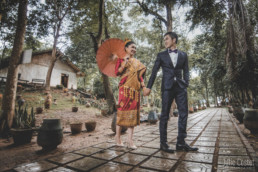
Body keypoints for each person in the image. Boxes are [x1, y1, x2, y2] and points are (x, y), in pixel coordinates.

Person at [143, 32, 198, 153]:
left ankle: (181, 143)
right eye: (164, 40)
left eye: (167, 39)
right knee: (164, 115)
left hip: (180, 87)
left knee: (184, 113)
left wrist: (186, 82)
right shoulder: (161, 55)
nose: (165, 41)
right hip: (167, 88)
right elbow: (154, 71)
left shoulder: (184, 55)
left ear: (174, 40)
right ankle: (163, 144)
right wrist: (148, 87)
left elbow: (186, 71)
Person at [114, 40, 146, 149]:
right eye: (132, 47)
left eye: (135, 48)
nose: (134, 49)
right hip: (124, 89)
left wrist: (144, 86)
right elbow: (117, 72)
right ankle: (118, 138)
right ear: (126, 48)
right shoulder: (120, 59)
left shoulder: (137, 62)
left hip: (135, 91)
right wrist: (123, 64)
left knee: (132, 113)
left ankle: (130, 140)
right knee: (122, 112)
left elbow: (140, 76)